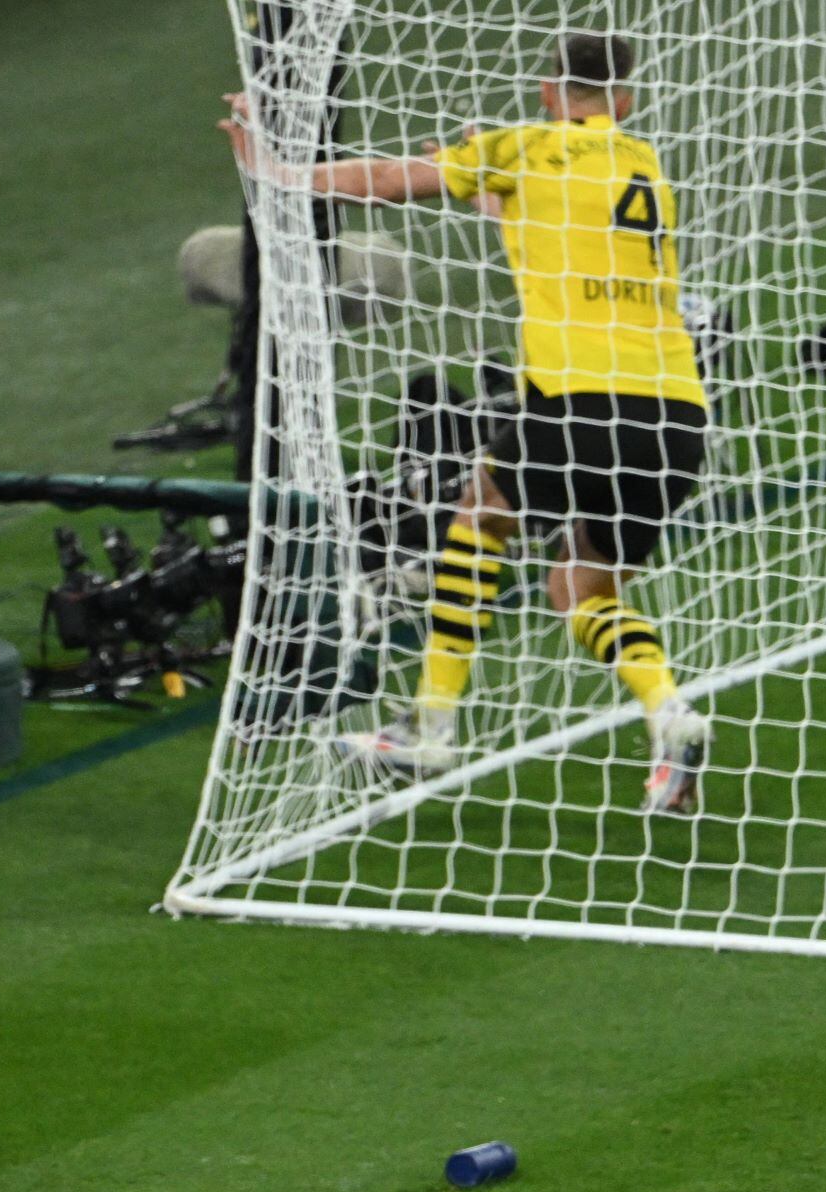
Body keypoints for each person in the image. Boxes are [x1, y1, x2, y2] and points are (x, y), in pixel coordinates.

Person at [223, 31, 712, 813]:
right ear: (625, 99)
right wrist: (494, 194)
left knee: (479, 519)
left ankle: (433, 725)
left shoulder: (522, 146)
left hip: (578, 399)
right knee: (580, 589)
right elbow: (570, 241)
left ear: (551, 90)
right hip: (676, 418)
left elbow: (384, 180)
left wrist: (276, 173)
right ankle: (670, 714)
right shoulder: (644, 164)